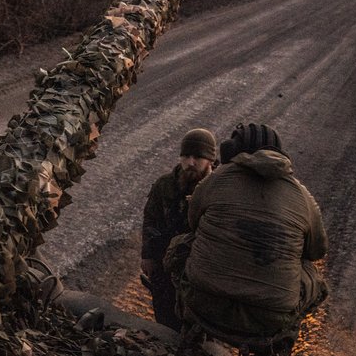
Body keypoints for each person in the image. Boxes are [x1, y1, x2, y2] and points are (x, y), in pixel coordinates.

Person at [176, 123, 328, 356]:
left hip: (206, 306)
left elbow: (193, 222)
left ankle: (188, 328)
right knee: (313, 275)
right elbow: (317, 251)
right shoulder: (302, 196)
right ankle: (279, 345)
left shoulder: (216, 179)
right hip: (267, 320)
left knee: (183, 244)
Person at [140, 128, 216, 331]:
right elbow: (150, 219)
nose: (191, 162)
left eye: (198, 157)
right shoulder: (165, 185)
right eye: (186, 156)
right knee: (165, 322)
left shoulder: (218, 190)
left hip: (199, 271)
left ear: (210, 160)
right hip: (164, 266)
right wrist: (147, 256)